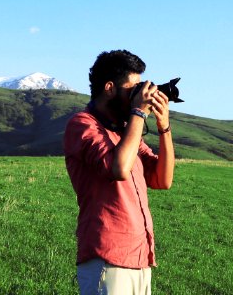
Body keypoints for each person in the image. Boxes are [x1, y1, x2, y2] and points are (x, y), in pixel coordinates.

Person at [64, 49, 175, 295]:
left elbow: (162, 179)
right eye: (132, 89)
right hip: (108, 259)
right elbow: (119, 169)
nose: (137, 96)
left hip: (139, 258)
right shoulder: (82, 124)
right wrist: (137, 113)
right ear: (109, 88)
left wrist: (164, 127)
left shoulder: (125, 132)